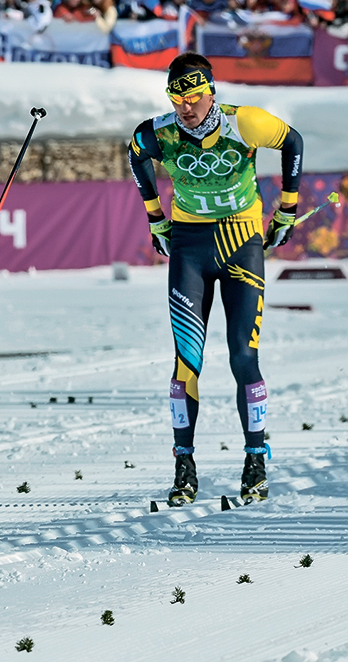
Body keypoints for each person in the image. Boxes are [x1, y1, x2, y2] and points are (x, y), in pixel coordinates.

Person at [127, 51, 303, 507]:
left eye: (195, 96)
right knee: (187, 359)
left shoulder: (243, 122)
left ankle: (256, 460)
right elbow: (134, 152)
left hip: (241, 241)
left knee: (243, 356)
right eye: (178, 98)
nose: (187, 107)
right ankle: (184, 465)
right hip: (189, 247)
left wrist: (287, 208)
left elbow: (293, 142)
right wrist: (155, 217)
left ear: (210, 91)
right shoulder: (160, 131)